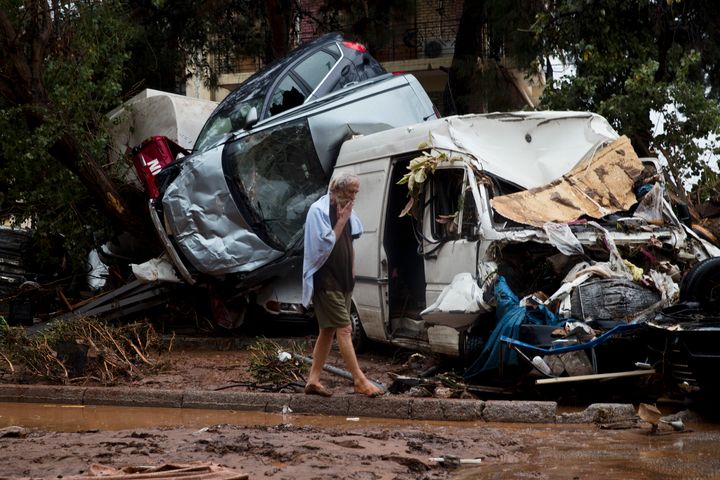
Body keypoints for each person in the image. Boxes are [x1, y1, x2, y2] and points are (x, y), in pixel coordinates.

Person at [302, 173, 383, 398]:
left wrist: (353, 269)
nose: (355, 196)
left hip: (344, 278)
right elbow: (324, 245)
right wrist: (341, 221)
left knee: (327, 331)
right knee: (345, 329)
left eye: (356, 191)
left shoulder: (347, 209)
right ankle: (359, 380)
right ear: (338, 189)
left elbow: (350, 241)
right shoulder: (318, 212)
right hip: (326, 279)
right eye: (351, 191)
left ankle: (313, 380)